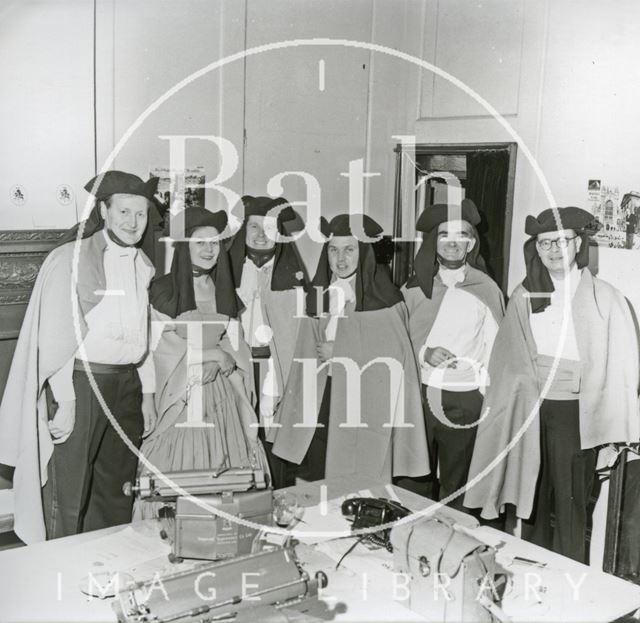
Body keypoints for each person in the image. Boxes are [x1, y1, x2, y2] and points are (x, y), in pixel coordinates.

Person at [464, 207, 640, 563]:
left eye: (562, 241)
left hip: (576, 412)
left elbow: (623, 368)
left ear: (579, 245)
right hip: (529, 406)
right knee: (530, 498)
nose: (554, 250)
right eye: (545, 243)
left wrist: (614, 432)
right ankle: (533, 574)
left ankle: (572, 587)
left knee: (571, 504)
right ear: (537, 248)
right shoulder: (525, 294)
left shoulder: (606, 297)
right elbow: (506, 356)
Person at [0, 171, 159, 543]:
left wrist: (147, 394)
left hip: (126, 385)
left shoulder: (144, 266)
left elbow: (144, 335)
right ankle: (57, 575)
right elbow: (54, 340)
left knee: (116, 486)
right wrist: (66, 402)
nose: (132, 222)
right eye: (124, 211)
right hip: (81, 383)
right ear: (104, 211)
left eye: (141, 214)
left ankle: (104, 563)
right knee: (68, 491)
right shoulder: (69, 259)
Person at [269, 214, 430, 485]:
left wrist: (341, 352)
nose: (340, 258)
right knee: (313, 468)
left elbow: (394, 361)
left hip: (363, 400)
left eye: (349, 250)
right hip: (322, 394)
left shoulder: (387, 300)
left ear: (363, 252)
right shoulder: (321, 295)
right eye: (333, 250)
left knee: (355, 472)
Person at [135, 207, 268, 517]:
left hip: (223, 397)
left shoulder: (225, 291)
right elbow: (157, 351)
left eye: (215, 243)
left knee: (231, 478)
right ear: (185, 247)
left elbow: (236, 344)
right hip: (181, 396)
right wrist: (211, 355)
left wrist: (226, 360)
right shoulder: (162, 290)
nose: (209, 250)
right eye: (200, 243)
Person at [401, 200, 504, 509]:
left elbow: (496, 348)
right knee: (413, 476)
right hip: (420, 393)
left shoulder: (486, 288)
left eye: (461, 235)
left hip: (465, 398)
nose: (453, 243)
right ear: (433, 241)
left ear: (471, 242)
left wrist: (482, 394)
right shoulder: (413, 289)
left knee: (458, 483)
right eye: (444, 234)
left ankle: (452, 546)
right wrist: (424, 352)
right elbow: (398, 339)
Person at [227, 195, 308, 487]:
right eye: (255, 227)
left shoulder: (295, 278)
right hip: (237, 372)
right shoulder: (227, 272)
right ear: (243, 231)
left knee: (276, 450)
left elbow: (300, 336)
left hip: (277, 371)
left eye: (270, 228)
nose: (262, 235)